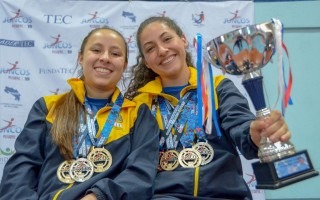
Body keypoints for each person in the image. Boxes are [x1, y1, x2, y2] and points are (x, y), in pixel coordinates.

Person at [125, 16, 291, 200]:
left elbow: (241, 126)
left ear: (183, 40)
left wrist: (255, 134)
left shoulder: (218, 87)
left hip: (226, 195)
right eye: (150, 48)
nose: (162, 50)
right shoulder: (140, 103)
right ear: (146, 61)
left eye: (167, 39)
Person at [0, 27, 160, 200]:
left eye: (115, 54)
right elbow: (20, 171)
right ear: (81, 57)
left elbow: (140, 174)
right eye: (96, 50)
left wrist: (97, 196)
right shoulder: (48, 107)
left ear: (125, 65)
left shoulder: (138, 114)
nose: (105, 58)